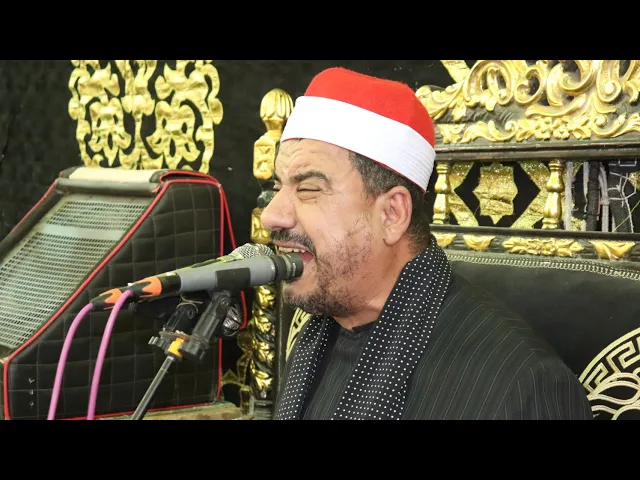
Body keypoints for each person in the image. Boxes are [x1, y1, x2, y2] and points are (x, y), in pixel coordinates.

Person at [260, 66, 593, 420]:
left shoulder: (522, 386)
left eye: (308, 189)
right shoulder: (316, 338)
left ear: (392, 214)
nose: (271, 216)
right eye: (278, 187)